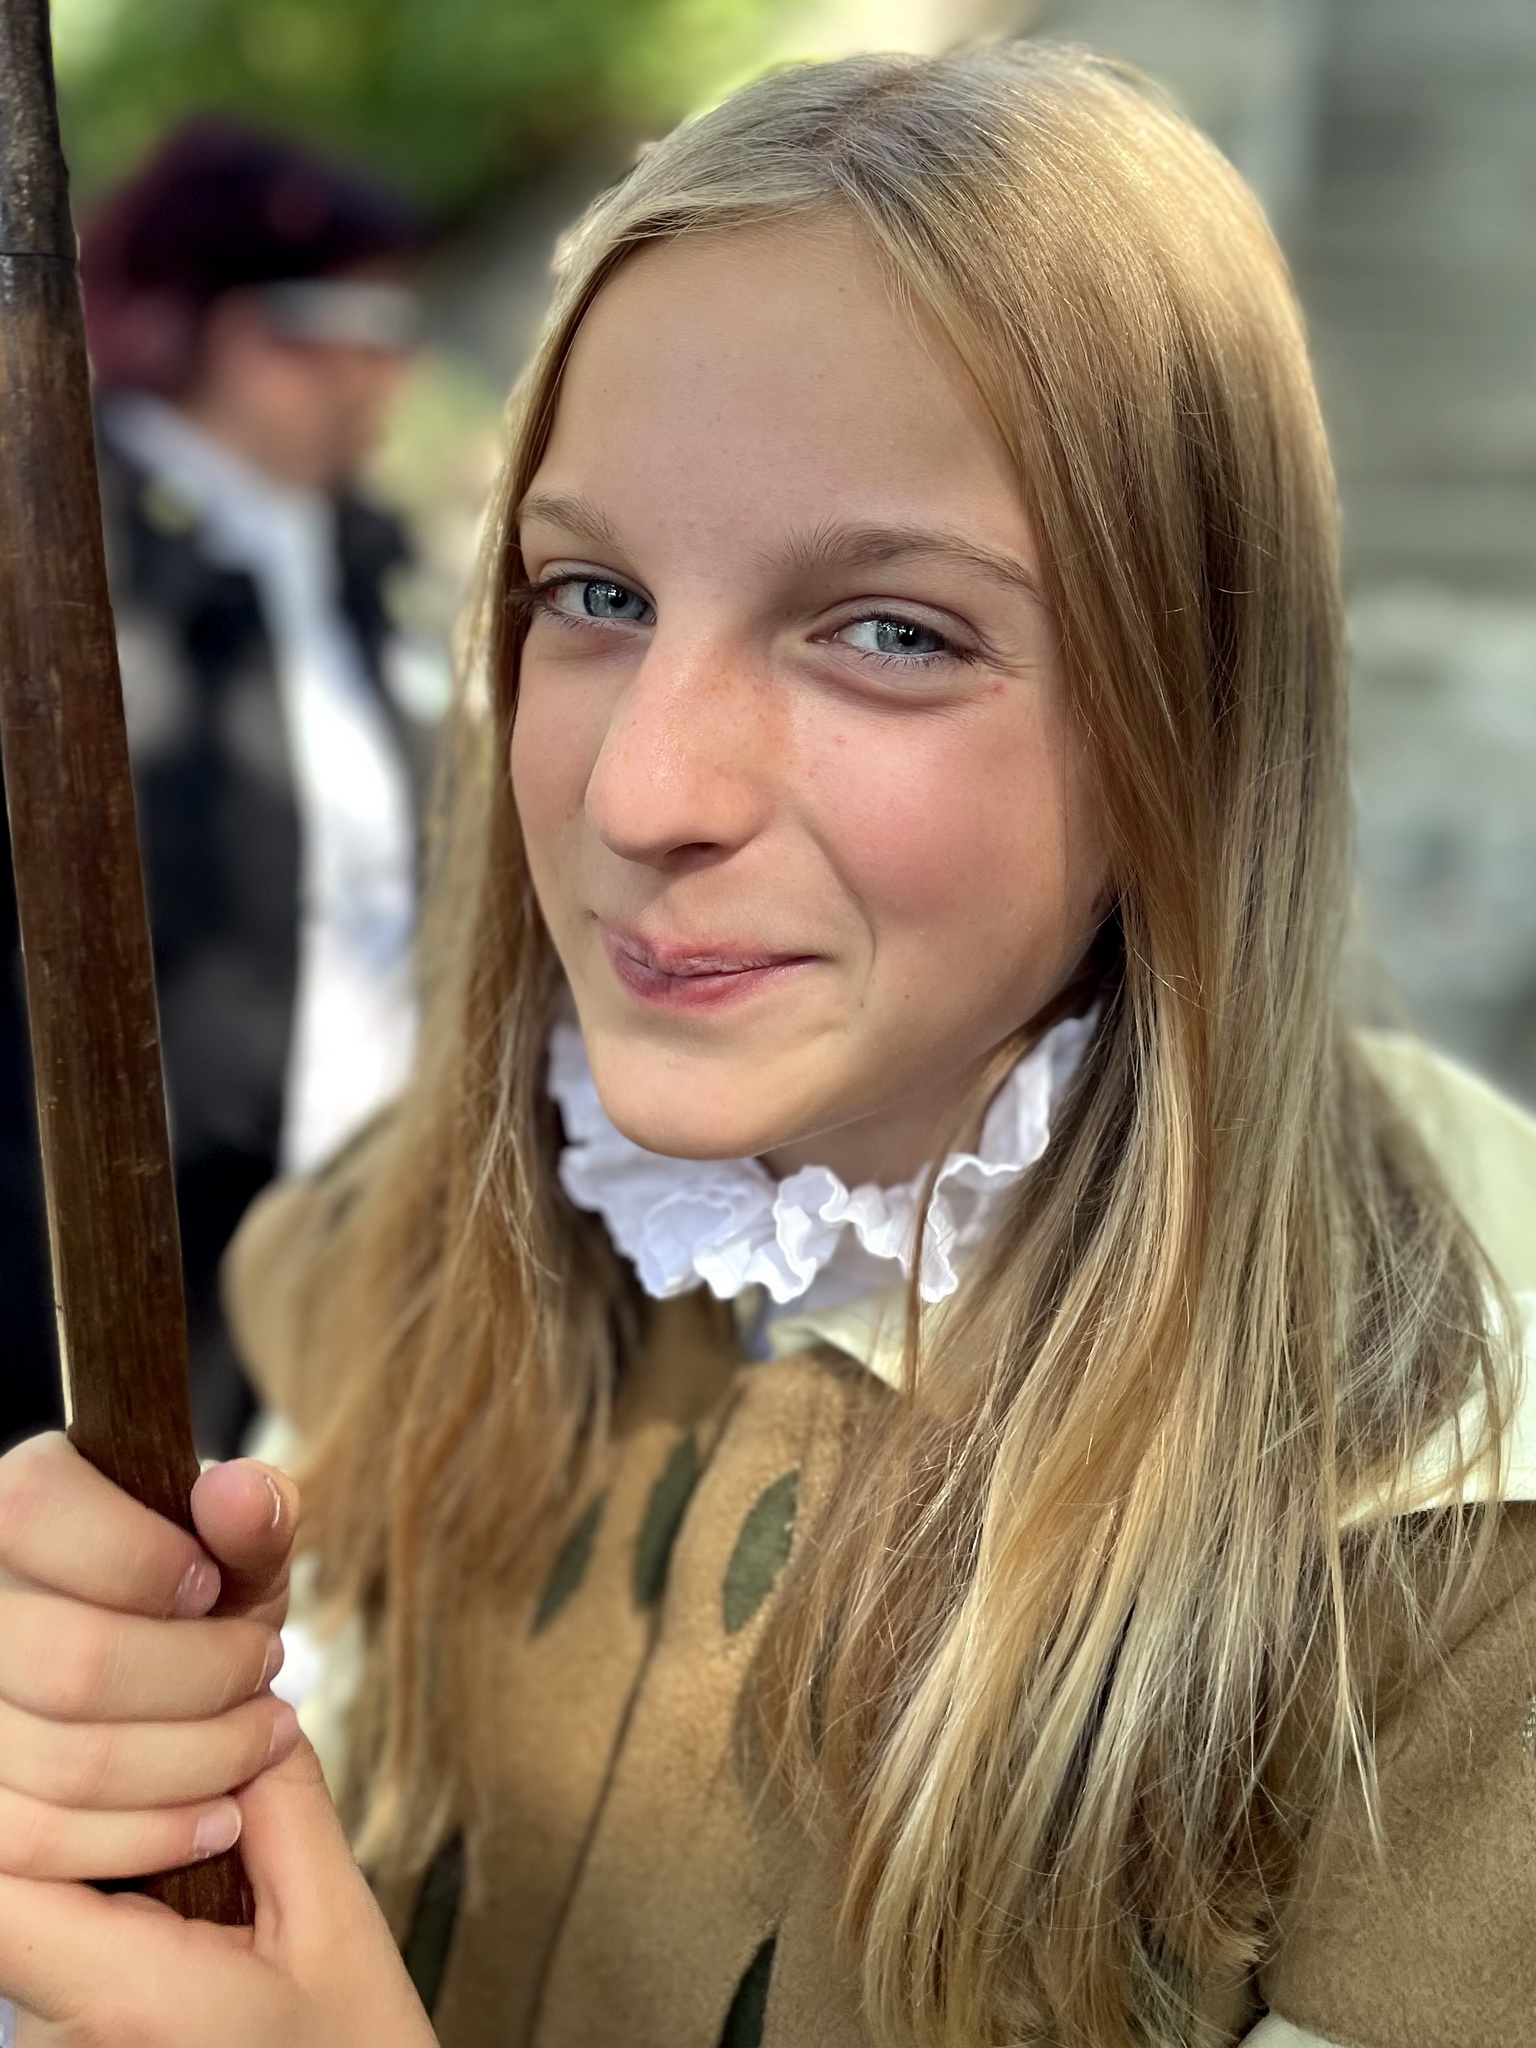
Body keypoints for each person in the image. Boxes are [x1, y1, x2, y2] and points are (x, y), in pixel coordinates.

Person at [1, 42, 1535, 2048]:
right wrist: (110, 1771)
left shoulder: (1449, 1527)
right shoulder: (404, 1242)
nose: (643, 790)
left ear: (1199, 709)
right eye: (594, 592)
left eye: (891, 630)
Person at [0, 120, 434, 1458]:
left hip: (346, 1262)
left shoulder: (351, 555)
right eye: (365, 324)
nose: (396, 368)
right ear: (242, 335)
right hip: (108, 1295)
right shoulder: (54, 547)